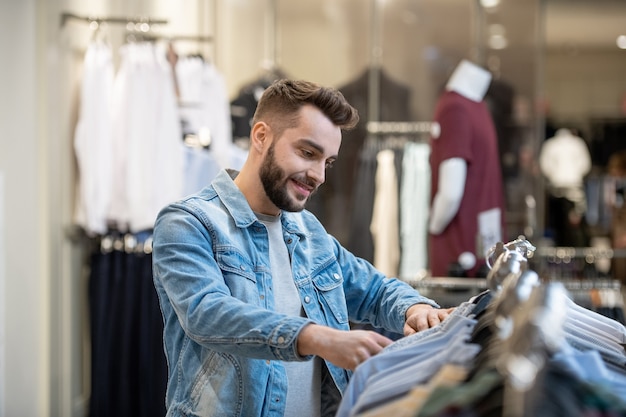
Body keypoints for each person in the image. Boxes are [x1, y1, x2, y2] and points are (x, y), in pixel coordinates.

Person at [152, 79, 453, 417]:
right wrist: (316, 338)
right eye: (308, 153)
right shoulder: (188, 223)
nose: (319, 175)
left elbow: (373, 289)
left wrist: (415, 309)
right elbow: (206, 314)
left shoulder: (307, 230)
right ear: (261, 136)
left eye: (328, 161)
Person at [428, 59, 506, 277]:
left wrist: (434, 225)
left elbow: (451, 192)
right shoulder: (476, 108)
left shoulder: (454, 108)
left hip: (458, 247)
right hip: (479, 247)